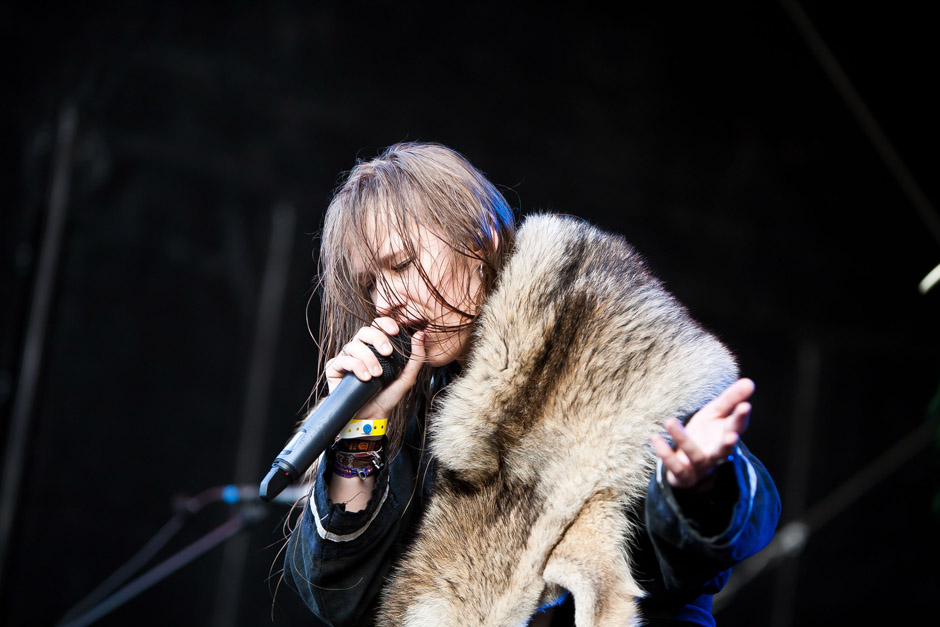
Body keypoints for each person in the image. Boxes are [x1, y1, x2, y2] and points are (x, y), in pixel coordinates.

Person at [282, 142, 780, 626]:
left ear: (478, 236)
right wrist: (360, 431)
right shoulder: (416, 407)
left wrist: (698, 486)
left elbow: (698, 556)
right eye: (370, 283)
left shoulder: (601, 327)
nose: (386, 298)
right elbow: (338, 600)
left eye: (402, 264)